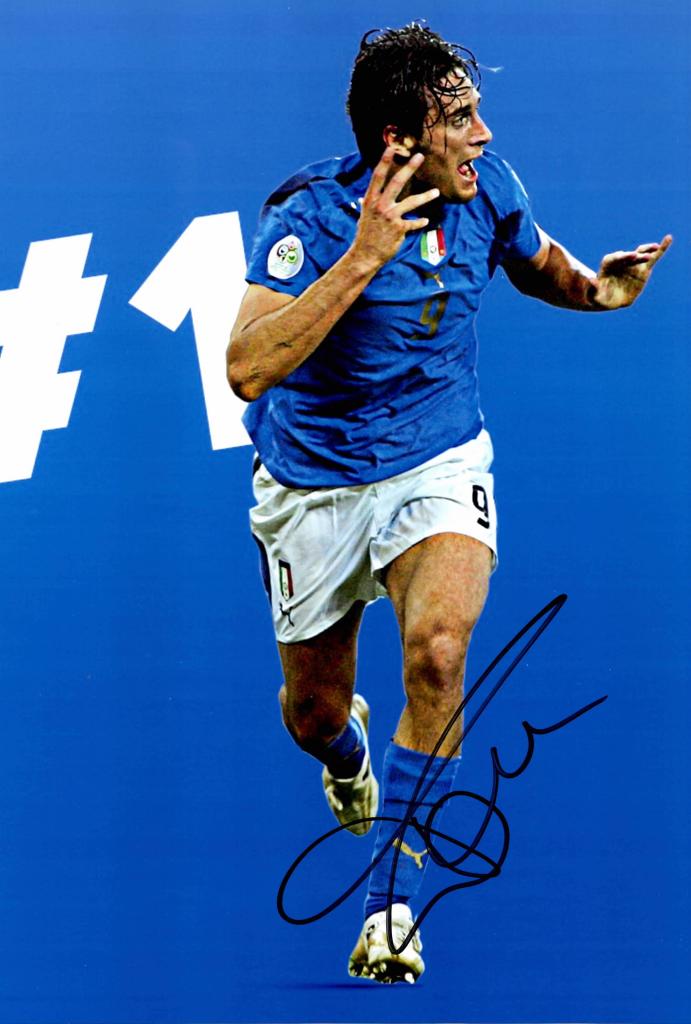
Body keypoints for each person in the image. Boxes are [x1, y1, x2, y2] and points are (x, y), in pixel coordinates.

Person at [226, 23, 671, 984]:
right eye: (458, 117)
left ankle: (391, 902)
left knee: (436, 651)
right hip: (313, 485)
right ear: (398, 139)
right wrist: (362, 258)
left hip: (436, 457)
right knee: (310, 713)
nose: (482, 132)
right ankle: (346, 755)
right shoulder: (308, 218)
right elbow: (248, 368)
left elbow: (537, 261)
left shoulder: (487, 188)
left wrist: (597, 291)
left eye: (476, 112)